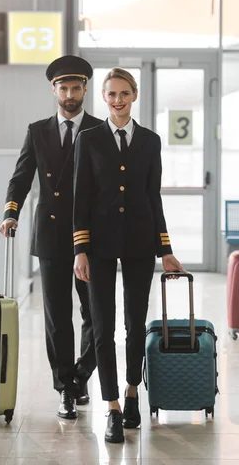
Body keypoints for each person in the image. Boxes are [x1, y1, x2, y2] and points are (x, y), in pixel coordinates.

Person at [73, 67, 185, 444]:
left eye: (124, 93)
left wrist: (165, 250)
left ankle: (133, 392)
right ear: (102, 98)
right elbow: (81, 199)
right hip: (99, 247)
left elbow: (154, 198)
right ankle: (113, 407)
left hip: (139, 243)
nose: (117, 100)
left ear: (134, 95)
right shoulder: (88, 139)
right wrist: (80, 250)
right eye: (111, 94)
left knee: (135, 325)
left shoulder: (151, 141)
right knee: (103, 329)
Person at [0, 55, 102, 419]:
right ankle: (66, 388)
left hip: (92, 239)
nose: (70, 94)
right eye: (64, 87)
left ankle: (81, 375)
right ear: (54, 90)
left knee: (95, 313)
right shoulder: (37, 131)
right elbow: (21, 177)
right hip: (52, 238)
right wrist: (11, 212)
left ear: (85, 89)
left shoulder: (99, 130)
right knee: (58, 316)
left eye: (76, 87)